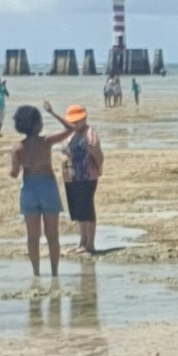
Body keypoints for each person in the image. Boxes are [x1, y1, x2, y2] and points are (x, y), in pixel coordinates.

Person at [7, 103, 76, 276]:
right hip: (47, 187)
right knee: (52, 236)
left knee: (33, 238)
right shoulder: (46, 141)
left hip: (29, 189)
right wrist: (52, 112)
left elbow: (14, 173)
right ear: (37, 125)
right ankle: (54, 273)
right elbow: (71, 128)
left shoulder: (18, 148)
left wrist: (14, 168)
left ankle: (36, 273)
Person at [60, 102, 104, 255]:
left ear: (84, 119)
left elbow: (98, 155)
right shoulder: (69, 133)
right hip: (71, 177)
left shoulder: (89, 133)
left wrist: (97, 169)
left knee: (86, 209)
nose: (74, 123)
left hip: (87, 176)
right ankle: (82, 241)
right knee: (78, 210)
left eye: (77, 121)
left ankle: (89, 244)